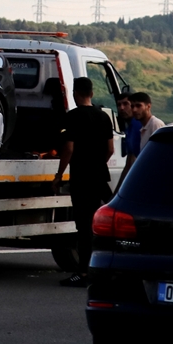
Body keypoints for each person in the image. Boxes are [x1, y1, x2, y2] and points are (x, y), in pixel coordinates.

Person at [52, 77, 114, 287]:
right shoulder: (103, 116)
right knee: (101, 222)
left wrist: (59, 175)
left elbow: (68, 149)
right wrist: (98, 164)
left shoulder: (73, 117)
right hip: (99, 177)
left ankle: (84, 272)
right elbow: (111, 149)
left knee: (84, 226)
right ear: (92, 93)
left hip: (82, 178)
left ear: (76, 93)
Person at [114, 92, 141, 189]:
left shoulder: (138, 125)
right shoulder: (129, 128)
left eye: (125, 104)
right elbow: (129, 161)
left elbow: (133, 161)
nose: (121, 108)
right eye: (119, 105)